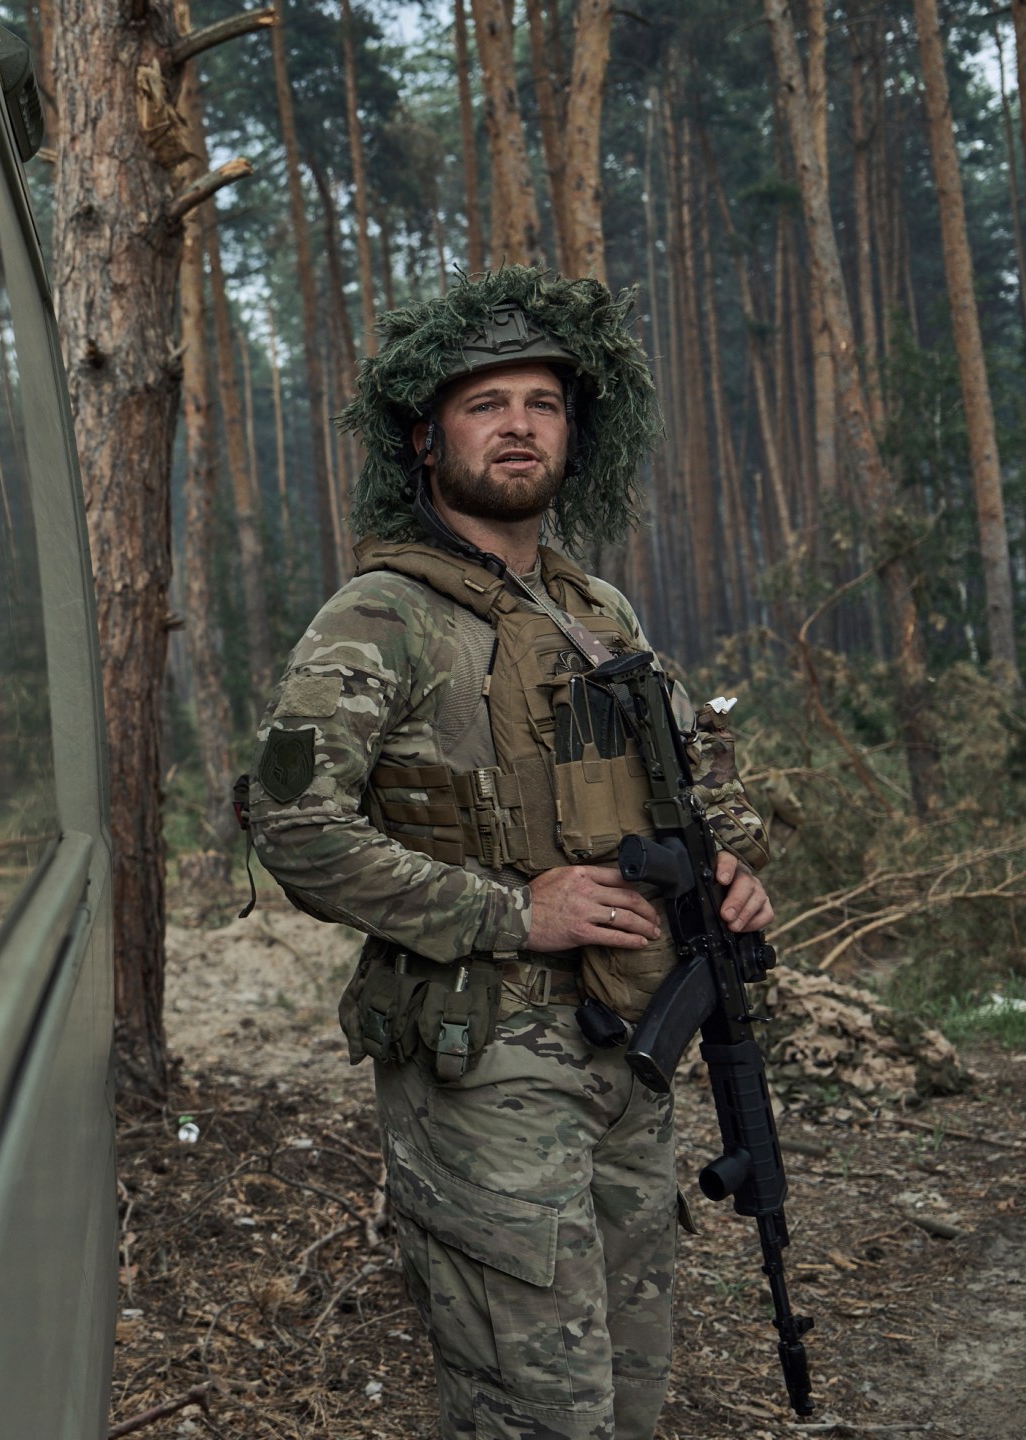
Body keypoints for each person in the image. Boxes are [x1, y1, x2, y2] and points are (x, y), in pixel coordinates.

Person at [241, 268, 777, 1440]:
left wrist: (727, 870)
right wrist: (506, 912)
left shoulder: (597, 609)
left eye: (542, 401)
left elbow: (683, 783)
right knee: (536, 1404)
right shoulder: (376, 617)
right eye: (486, 404)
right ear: (427, 440)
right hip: (481, 1055)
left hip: (626, 1044)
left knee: (630, 1386)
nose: (520, 424)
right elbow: (292, 828)